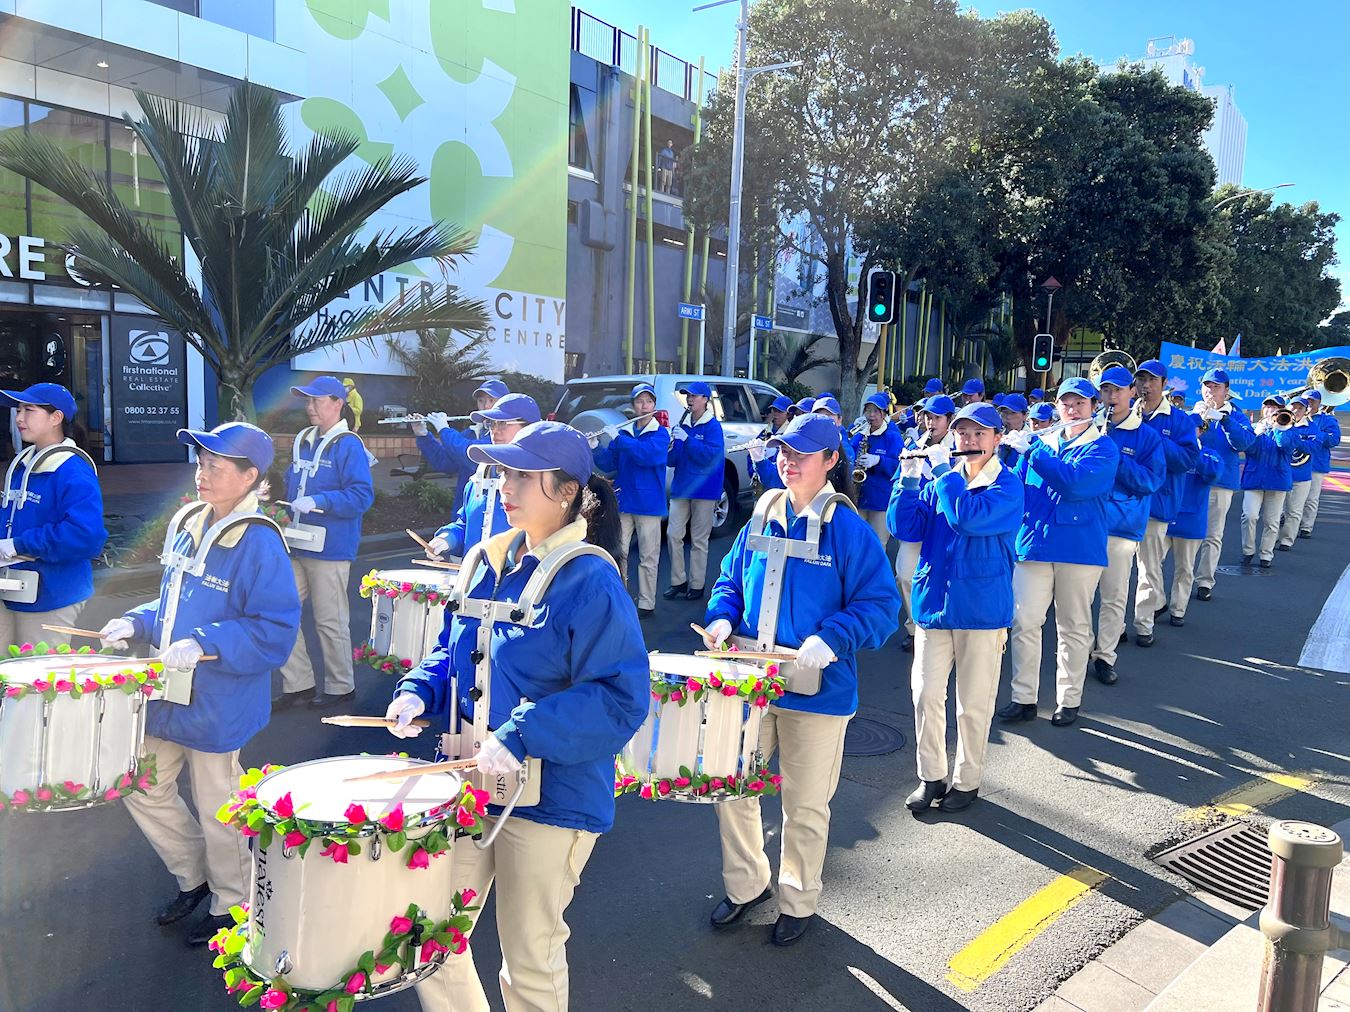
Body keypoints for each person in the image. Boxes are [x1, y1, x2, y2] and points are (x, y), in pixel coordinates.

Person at [384, 421, 648, 1012]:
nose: (506, 486)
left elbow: (621, 697)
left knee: (529, 957)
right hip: (472, 782)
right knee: (428, 939)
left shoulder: (591, 578)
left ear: (567, 491)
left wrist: (524, 731)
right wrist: (419, 691)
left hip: (554, 800)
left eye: (524, 476)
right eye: (505, 472)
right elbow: (452, 650)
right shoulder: (485, 560)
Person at [700, 414, 898, 946]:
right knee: (731, 787)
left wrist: (832, 638)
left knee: (804, 804)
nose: (788, 461)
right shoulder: (762, 516)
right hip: (750, 683)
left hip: (818, 692)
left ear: (831, 461)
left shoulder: (848, 530)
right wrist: (722, 617)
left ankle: (798, 899)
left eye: (802, 453)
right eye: (784, 451)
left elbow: (882, 606)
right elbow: (729, 580)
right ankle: (747, 885)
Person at [99, 422, 300, 946]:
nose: (202, 473)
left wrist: (207, 641)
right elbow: (172, 603)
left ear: (250, 477)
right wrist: (136, 622)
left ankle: (233, 906)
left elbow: (275, 631)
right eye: (201, 462)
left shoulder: (260, 542)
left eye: (215, 465)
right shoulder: (188, 521)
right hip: (167, 692)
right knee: (138, 782)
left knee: (219, 809)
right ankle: (197, 876)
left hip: (218, 700)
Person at [890, 403, 1023, 814]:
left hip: (981, 610)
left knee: (973, 703)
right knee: (925, 694)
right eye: (963, 433)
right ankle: (931, 775)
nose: (970, 440)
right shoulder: (940, 482)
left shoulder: (1008, 485)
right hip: (934, 604)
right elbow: (904, 527)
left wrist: (943, 475)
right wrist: (908, 480)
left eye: (980, 433)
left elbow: (968, 518)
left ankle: (967, 780)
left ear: (997, 439)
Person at [997, 377, 1119, 727]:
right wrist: (1003, 457)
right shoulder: (1040, 443)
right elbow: (1016, 488)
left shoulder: (1103, 448)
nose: (1072, 409)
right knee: (1023, 621)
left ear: (1093, 407)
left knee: (1073, 627)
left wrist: (1032, 452)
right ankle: (1024, 697)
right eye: (1066, 403)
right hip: (1034, 543)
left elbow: (1073, 484)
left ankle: (1069, 699)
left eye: (1080, 403)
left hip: (1079, 549)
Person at [276, 375, 374, 709]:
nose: (310, 407)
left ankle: (340, 686)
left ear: (337, 403)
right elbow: (292, 482)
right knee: (279, 610)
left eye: (316, 400)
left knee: (329, 620)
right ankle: (298, 683)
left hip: (330, 548)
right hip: (296, 542)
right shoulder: (304, 439)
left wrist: (321, 501)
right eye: (307, 400)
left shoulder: (348, 444)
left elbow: (361, 496)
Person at [0, 383, 106, 647]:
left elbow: (86, 536)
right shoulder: (22, 463)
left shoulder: (73, 469)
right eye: (18, 410)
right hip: (11, 590)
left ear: (56, 417)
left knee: (38, 670)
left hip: (52, 595)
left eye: (29, 410)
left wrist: (18, 545)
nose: (19, 418)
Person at [1088, 367, 1164, 685]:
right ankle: (1081, 646)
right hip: (1085, 522)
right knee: (1077, 596)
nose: (1112, 396)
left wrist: (1115, 455)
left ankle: (1105, 655)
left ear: (1132, 392)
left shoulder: (1147, 436)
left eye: (1118, 390)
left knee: (1114, 595)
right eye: (1106, 390)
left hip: (1121, 525)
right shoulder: (1088, 426)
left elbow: (1150, 482)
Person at [1130, 360, 1198, 647]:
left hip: (1157, 502)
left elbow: (1188, 460)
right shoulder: (1124, 412)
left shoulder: (1179, 420)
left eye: (1152, 380)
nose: (1145, 386)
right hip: (1123, 503)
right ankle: (1142, 611)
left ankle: (1144, 625)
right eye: (1141, 380)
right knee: (1118, 570)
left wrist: (1153, 438)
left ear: (1164, 384)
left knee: (1148, 567)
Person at [427, 394, 541, 562]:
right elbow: (466, 525)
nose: (495, 430)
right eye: (492, 423)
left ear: (530, 429)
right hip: (475, 576)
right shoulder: (479, 477)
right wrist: (447, 538)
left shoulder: (543, 484)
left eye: (503, 423)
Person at [591, 383, 669, 616]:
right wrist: (595, 447)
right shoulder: (625, 432)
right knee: (618, 553)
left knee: (648, 557)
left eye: (648, 402)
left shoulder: (660, 434)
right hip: (624, 502)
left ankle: (646, 603)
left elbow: (646, 456)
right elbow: (608, 464)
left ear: (654, 405)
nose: (644, 406)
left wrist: (619, 439)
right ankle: (620, 599)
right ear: (633, 406)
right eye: (639, 402)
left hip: (649, 505)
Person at [887, 394, 956, 653]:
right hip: (916, 520)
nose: (931, 422)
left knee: (945, 576)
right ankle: (915, 627)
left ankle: (943, 623)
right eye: (928, 417)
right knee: (905, 576)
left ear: (949, 420)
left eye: (937, 417)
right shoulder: (915, 443)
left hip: (944, 523)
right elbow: (899, 480)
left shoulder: (958, 446)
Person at [1190, 369, 1254, 602]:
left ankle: (1204, 581)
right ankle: (1184, 580)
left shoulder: (1236, 415)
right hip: (1194, 479)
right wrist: (1194, 420)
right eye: (1207, 386)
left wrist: (1224, 420)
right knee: (1188, 533)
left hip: (1221, 481)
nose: (1210, 391)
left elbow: (1245, 443)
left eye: (1216, 386)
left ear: (1226, 391)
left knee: (1213, 534)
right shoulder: (1193, 412)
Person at [664, 381, 724, 602]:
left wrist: (687, 440)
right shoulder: (683, 424)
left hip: (705, 489)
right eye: (688, 396)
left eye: (694, 396)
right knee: (673, 534)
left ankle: (697, 584)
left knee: (699, 539)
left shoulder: (713, 427)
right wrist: (671, 446)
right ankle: (678, 581)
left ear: (705, 399)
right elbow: (671, 461)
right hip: (682, 487)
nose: (690, 399)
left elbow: (710, 457)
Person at [1163, 447, 1224, 626]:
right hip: (1163, 515)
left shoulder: (1210, 454)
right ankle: (1155, 604)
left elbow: (1213, 475)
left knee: (1185, 567)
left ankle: (1178, 610)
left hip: (1190, 520)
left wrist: (1194, 453)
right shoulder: (1169, 447)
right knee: (1150, 566)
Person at [415, 378, 509, 493]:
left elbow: (471, 454)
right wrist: (423, 435)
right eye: (481, 401)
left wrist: (444, 430)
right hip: (466, 502)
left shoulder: (505, 436)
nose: (485, 406)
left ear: (504, 404)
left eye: (491, 400)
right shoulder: (472, 433)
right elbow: (446, 463)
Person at [1240, 396, 1299, 568]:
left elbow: (1285, 447)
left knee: (1272, 521)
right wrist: (1256, 434)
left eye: (1275, 407)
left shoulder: (1290, 430)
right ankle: (1248, 550)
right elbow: (1248, 449)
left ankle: (1266, 554)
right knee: (1249, 515)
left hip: (1277, 480)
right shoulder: (1253, 428)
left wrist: (1279, 428)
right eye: (1267, 407)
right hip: (1254, 478)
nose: (1271, 410)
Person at [850, 393, 902, 543]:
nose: (871, 415)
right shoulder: (860, 434)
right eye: (868, 411)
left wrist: (879, 460)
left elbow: (899, 466)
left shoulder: (892, 437)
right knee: (857, 541)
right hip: (860, 497)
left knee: (878, 542)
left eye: (876, 411)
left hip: (880, 500)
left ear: (883, 414)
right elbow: (848, 455)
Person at [1276, 397, 1322, 551]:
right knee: (1275, 511)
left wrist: (1295, 439)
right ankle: (1271, 539)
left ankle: (1286, 540)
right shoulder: (1279, 423)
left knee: (1294, 511)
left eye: (1300, 408)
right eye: (1293, 407)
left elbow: (1313, 447)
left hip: (1301, 475)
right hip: (1280, 473)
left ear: (1306, 411)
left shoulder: (1312, 427)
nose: (1295, 411)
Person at [1300, 390, 1342, 539]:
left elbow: (1334, 440)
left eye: (1312, 401)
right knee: (1289, 493)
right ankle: (1286, 518)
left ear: (1319, 403)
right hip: (1294, 463)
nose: (1309, 404)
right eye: (1306, 400)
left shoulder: (1327, 420)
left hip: (1316, 464)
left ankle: (1306, 526)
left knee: (1311, 498)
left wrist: (1316, 433)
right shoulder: (1294, 416)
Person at [747, 394, 794, 492]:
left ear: (788, 414)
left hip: (780, 484)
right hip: (761, 481)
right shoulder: (765, 431)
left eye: (780, 411)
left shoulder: (790, 433)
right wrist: (754, 472)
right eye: (774, 410)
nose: (775, 414)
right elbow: (751, 455)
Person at [995, 394, 1029, 468]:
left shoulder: (1033, 440)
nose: (1008, 417)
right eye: (1005, 412)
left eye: (1013, 413)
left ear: (1025, 416)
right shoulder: (997, 438)